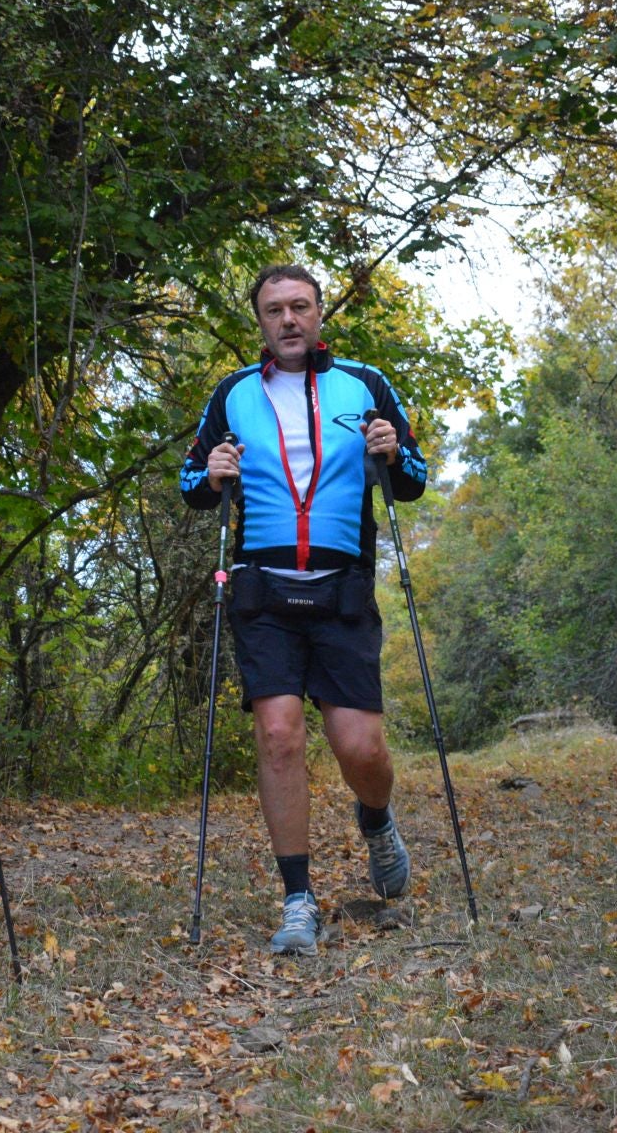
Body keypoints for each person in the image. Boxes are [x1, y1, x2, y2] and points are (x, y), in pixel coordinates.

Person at [179, 263, 428, 954]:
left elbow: (414, 479)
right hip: (262, 590)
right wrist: (212, 474)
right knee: (279, 735)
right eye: (273, 310)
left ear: (319, 315)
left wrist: (392, 453)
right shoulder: (233, 393)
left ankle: (375, 819)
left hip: (342, 587)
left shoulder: (365, 384)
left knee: (360, 747)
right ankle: (297, 900)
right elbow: (191, 482)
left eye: (299, 307)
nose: (288, 320)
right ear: (260, 322)